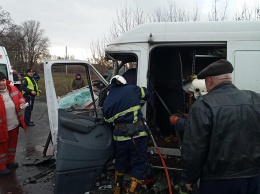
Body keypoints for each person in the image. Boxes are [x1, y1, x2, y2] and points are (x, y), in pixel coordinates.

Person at [181, 59, 260, 194]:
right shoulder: (255, 99)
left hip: (218, 181)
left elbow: (195, 148)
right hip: (254, 177)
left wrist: (189, 178)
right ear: (229, 78)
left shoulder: (202, 106)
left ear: (209, 81)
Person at [102, 75, 152, 194]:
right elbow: (147, 93)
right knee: (139, 164)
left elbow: (108, 120)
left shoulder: (107, 99)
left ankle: (117, 190)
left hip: (119, 137)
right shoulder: (132, 89)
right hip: (137, 135)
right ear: (124, 83)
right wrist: (138, 102)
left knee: (120, 162)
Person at [0, 72, 27, 176]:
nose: (1, 83)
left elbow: (20, 97)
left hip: (14, 124)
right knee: (2, 148)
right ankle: (1, 167)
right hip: (2, 127)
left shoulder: (13, 89)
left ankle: (10, 161)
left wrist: (21, 103)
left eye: (2, 80)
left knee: (12, 145)